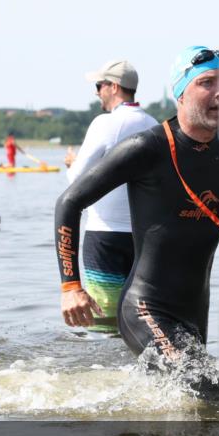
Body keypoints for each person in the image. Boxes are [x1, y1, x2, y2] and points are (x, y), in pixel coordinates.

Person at [55, 46, 219, 399]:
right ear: (180, 94)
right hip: (145, 306)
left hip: (195, 308)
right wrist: (70, 287)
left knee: (192, 400)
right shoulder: (146, 147)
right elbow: (69, 202)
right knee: (214, 398)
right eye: (207, 83)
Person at [64, 59, 158, 333]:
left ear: (114, 87)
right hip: (144, 238)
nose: (96, 92)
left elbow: (77, 183)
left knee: (103, 327)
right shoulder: (153, 124)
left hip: (104, 236)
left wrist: (72, 163)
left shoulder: (106, 123)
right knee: (140, 324)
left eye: (99, 85)